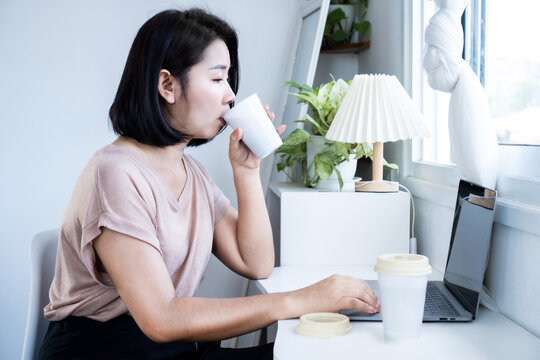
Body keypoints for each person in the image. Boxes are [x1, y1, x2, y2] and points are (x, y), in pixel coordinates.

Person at [39, 8, 380, 359]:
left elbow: (255, 263)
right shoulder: (115, 173)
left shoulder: (191, 173)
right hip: (106, 350)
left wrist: (246, 173)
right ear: (167, 85)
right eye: (217, 79)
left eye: (229, 80)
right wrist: (300, 300)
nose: (230, 95)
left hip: (170, 347)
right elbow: (161, 318)